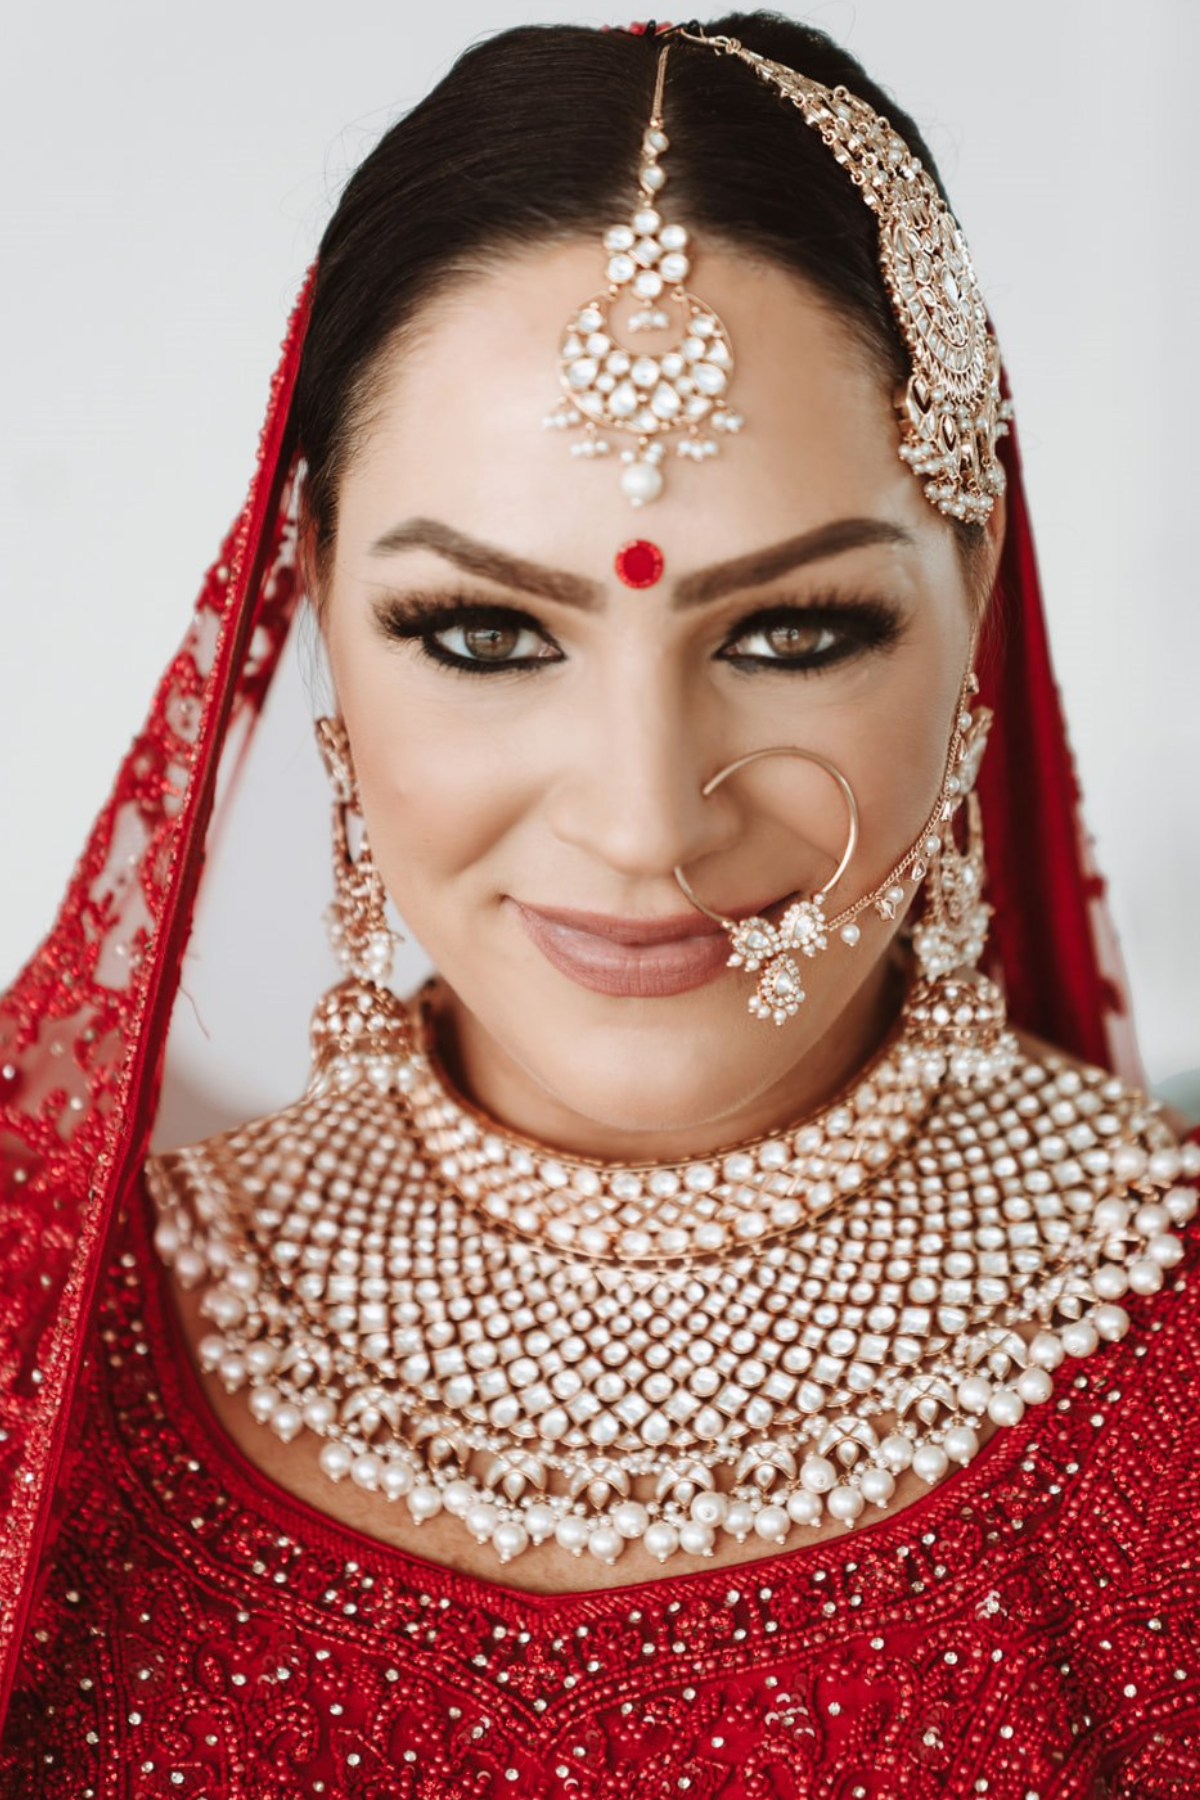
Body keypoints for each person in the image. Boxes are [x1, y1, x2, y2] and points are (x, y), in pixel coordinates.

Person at [1, 12, 1197, 1794]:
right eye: (484, 635)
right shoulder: (41, 1339)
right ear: (316, 599)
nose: (647, 822)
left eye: (796, 633)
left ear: (976, 589)